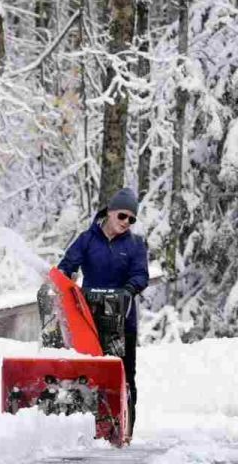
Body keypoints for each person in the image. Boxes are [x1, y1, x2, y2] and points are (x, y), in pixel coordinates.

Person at [58, 187, 149, 440]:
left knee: (124, 373)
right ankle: (86, 425)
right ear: (109, 212)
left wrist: (129, 290)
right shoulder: (87, 239)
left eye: (132, 219)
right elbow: (66, 266)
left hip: (123, 321)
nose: (126, 223)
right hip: (89, 321)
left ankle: (124, 428)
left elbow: (141, 274)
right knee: (89, 371)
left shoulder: (135, 244)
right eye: (122, 216)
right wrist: (66, 278)